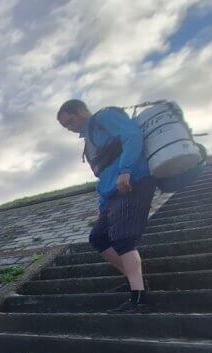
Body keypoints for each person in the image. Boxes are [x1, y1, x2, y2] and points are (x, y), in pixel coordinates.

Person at [57, 99, 155, 314]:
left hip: (132, 183)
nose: (69, 128)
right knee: (98, 237)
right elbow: (103, 174)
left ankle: (139, 299)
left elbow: (132, 135)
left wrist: (126, 170)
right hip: (112, 194)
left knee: (122, 239)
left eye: (70, 121)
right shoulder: (90, 139)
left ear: (82, 110)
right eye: (65, 126)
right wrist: (103, 205)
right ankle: (135, 280)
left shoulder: (104, 118)